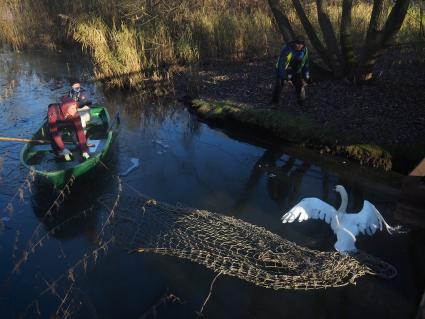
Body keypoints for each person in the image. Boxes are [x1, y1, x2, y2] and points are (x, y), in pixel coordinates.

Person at [271, 35, 310, 106]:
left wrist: (306, 77)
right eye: (296, 43)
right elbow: (281, 65)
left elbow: (305, 64)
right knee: (279, 85)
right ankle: (274, 103)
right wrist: (286, 78)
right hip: (282, 69)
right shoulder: (287, 49)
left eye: (299, 43)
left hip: (295, 69)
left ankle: (301, 103)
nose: (297, 45)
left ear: (303, 44)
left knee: (300, 85)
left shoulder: (305, 50)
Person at [48, 97, 90, 161]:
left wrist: (84, 150)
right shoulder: (52, 111)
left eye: (76, 108)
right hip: (57, 121)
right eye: (72, 108)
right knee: (55, 136)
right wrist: (63, 148)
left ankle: (79, 148)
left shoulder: (75, 114)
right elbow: (54, 132)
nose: (75, 110)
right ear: (66, 108)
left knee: (75, 133)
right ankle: (58, 153)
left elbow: (80, 131)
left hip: (69, 119)